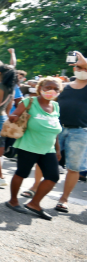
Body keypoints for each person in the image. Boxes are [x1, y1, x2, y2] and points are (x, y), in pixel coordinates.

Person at [5, 77, 63, 220]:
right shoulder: (29, 102)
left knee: (53, 177)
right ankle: (13, 201)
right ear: (40, 88)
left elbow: (54, 130)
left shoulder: (55, 106)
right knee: (22, 173)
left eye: (56, 89)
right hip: (28, 146)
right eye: (48, 87)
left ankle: (34, 204)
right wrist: (14, 117)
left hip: (48, 148)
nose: (52, 91)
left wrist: (57, 149)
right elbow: (15, 116)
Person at [51, 52, 87, 213]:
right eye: (77, 66)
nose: (79, 69)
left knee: (73, 167)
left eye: (83, 67)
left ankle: (63, 199)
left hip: (79, 132)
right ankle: (34, 188)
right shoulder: (64, 87)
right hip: (57, 129)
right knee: (45, 159)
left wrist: (84, 61)